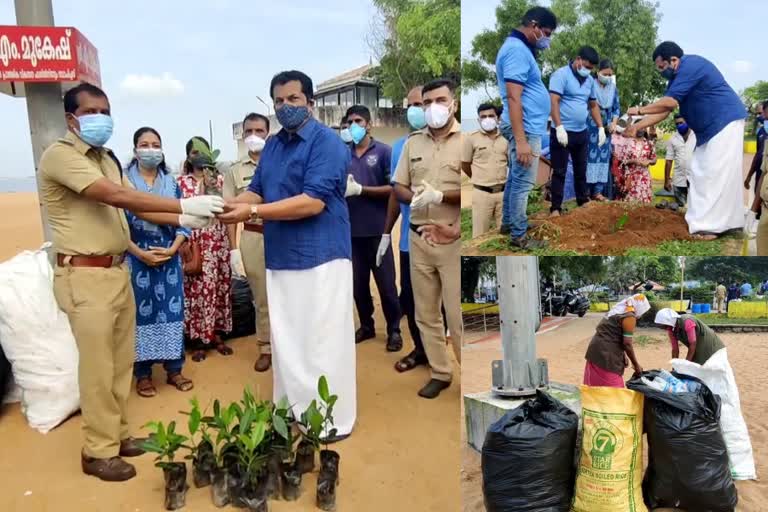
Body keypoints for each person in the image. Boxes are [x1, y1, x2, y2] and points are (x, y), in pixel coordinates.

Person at [39, 83, 222, 481]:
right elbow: (116, 197)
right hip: (85, 275)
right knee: (98, 368)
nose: (101, 118)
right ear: (72, 118)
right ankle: (96, 451)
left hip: (116, 271)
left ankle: (118, 436)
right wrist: (182, 206)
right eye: (92, 111)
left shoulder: (106, 158)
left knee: (121, 363)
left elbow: (129, 204)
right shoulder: (61, 156)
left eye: (105, 110)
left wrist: (181, 220)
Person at [219, 70, 356, 440]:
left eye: (293, 99)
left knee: (322, 341)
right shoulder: (275, 145)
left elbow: (312, 202)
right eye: (279, 101)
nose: (285, 107)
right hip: (281, 257)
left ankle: (329, 419)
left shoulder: (328, 143)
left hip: (322, 256)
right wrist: (226, 205)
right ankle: (293, 410)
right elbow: (258, 191)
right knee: (289, 340)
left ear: (310, 102)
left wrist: (251, 213)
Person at [626, 42, 747, 239]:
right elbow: (664, 112)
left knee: (711, 172)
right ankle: (725, 221)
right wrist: (637, 126)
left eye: (661, 67)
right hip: (710, 129)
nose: (660, 72)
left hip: (724, 121)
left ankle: (710, 227)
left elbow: (670, 102)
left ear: (673, 60)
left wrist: (640, 110)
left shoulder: (691, 66)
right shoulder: (675, 80)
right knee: (703, 171)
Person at [393, 78, 463, 399]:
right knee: (426, 314)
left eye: (439, 100)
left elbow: (479, 193)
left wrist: (440, 197)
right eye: (426, 102)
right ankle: (440, 371)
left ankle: (469, 375)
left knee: (456, 314)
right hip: (419, 237)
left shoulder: (468, 142)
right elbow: (399, 186)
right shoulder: (412, 144)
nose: (432, 107)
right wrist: (414, 198)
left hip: (453, 241)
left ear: (453, 103)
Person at [124, 127, 193, 398]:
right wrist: (139, 253)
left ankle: (174, 369)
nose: (150, 149)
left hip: (169, 261)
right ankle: (142, 374)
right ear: (135, 150)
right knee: (141, 317)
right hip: (136, 259)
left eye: (155, 144)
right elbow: (117, 225)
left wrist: (173, 249)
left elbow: (185, 219)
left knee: (172, 313)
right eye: (144, 144)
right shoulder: (124, 185)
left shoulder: (171, 184)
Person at [495, 6, 558, 249]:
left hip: (526, 126)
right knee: (523, 182)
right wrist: (521, 141)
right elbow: (513, 97)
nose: (547, 39)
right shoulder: (516, 51)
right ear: (533, 25)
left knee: (516, 178)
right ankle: (519, 237)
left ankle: (510, 223)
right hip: (526, 128)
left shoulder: (519, 49)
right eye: (546, 32)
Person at [343, 105, 403, 351]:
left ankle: (394, 329)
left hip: (378, 231)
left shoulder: (384, 152)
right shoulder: (341, 154)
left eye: (358, 121)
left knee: (387, 286)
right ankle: (366, 326)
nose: (353, 126)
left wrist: (361, 190)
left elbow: (395, 188)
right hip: (350, 233)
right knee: (358, 286)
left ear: (368, 124)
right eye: (349, 122)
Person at [380, 85, 429, 373]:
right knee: (410, 298)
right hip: (410, 241)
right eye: (412, 104)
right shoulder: (400, 147)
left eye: (421, 103)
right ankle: (420, 349)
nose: (416, 109)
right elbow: (395, 193)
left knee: (442, 303)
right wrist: (387, 232)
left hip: (445, 239)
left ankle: (441, 352)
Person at [223, 113, 273, 372]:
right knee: (261, 297)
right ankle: (265, 347)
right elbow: (229, 212)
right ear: (243, 135)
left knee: (287, 293)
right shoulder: (234, 171)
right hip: (254, 236)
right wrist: (234, 249)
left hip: (282, 232)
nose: (255, 135)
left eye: (260, 130)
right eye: (250, 130)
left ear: (268, 132)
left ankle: (288, 347)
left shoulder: (279, 162)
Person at [178, 137, 233, 362]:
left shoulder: (219, 181)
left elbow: (228, 212)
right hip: (195, 243)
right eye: (194, 153)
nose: (198, 157)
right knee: (197, 291)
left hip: (218, 241)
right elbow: (177, 215)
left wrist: (234, 247)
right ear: (188, 156)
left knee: (220, 287)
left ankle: (217, 334)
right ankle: (199, 338)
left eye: (203, 152)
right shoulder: (180, 183)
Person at [548, 46, 607, 216]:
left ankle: (583, 200)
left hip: (581, 132)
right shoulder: (561, 75)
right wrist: (559, 127)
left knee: (581, 169)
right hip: (562, 132)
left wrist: (600, 126)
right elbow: (554, 101)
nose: (588, 70)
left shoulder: (589, 81)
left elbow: (593, 105)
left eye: (591, 68)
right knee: (559, 171)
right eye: (587, 66)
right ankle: (556, 208)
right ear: (578, 59)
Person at [462, 103, 508, 237]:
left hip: (503, 193)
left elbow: (510, 162)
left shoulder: (506, 137)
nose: (487, 119)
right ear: (478, 119)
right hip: (482, 194)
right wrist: (477, 177)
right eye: (483, 117)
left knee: (505, 234)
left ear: (498, 118)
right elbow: (465, 163)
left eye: (491, 116)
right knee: (480, 235)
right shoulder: (471, 138)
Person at [583, 294, 649, 388]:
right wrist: (636, 365)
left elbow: (613, 332)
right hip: (607, 354)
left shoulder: (618, 310)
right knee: (613, 388)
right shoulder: (629, 317)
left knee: (596, 387)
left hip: (595, 349)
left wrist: (623, 355)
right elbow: (627, 344)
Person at [586, 59, 620, 201]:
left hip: (607, 131)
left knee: (603, 159)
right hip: (591, 127)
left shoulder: (613, 88)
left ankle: (598, 192)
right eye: (605, 74)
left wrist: (613, 123)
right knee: (589, 158)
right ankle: (586, 192)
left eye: (610, 75)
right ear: (598, 72)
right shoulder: (590, 84)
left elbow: (617, 108)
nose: (607, 77)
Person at [654, 308, 725, 364]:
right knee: (696, 368)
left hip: (711, 345)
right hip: (698, 347)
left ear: (668, 322)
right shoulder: (671, 329)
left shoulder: (687, 321)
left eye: (663, 326)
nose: (663, 329)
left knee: (709, 367)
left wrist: (686, 364)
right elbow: (675, 349)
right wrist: (674, 367)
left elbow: (692, 343)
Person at [612, 121, 657, 203]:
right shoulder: (628, 142)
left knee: (644, 204)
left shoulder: (649, 143)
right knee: (629, 203)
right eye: (638, 127)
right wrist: (633, 161)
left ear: (645, 129)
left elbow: (654, 160)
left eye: (642, 127)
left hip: (644, 177)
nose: (640, 129)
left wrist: (649, 162)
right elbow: (621, 161)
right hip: (630, 177)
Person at [664, 113, 696, 208]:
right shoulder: (673, 139)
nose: (679, 126)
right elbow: (668, 161)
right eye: (677, 124)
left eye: (681, 123)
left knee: (695, 208)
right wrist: (666, 181)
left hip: (695, 179)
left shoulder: (697, 136)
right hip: (679, 180)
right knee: (680, 209)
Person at [745, 100, 768, 198]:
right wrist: (749, 175)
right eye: (759, 113)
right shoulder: (761, 132)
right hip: (760, 177)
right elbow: (758, 156)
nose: (760, 115)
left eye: (762, 112)